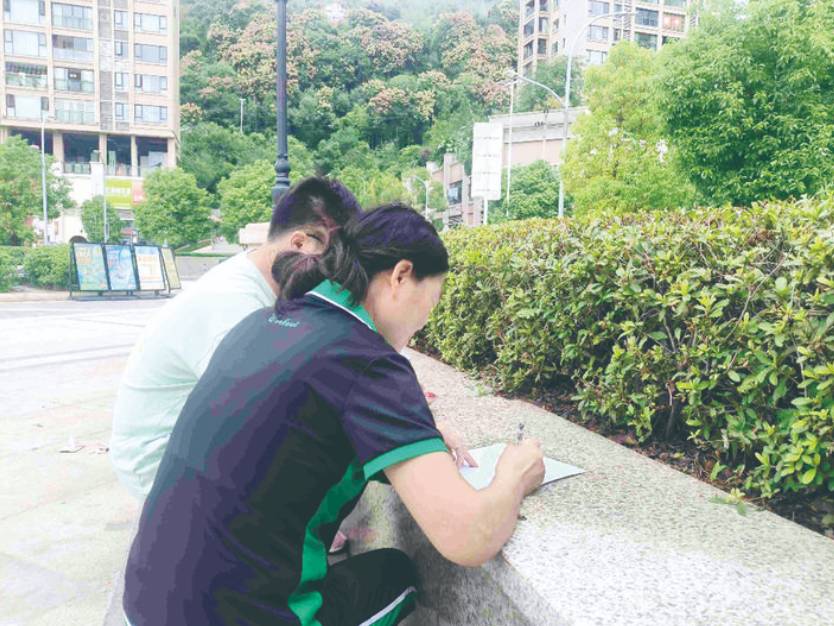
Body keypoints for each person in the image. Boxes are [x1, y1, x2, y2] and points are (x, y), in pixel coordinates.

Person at [122, 204, 545, 626]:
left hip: (146, 605)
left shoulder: (261, 323)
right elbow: (468, 537)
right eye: (430, 303)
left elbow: (296, 435)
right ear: (401, 275)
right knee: (395, 576)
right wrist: (515, 474)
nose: (423, 323)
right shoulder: (367, 361)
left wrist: (418, 436)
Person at [110, 177, 362, 500]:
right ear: (300, 244)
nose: (337, 279)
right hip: (159, 465)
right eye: (335, 263)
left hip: (194, 443)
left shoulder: (263, 281)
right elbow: (269, 412)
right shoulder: (234, 303)